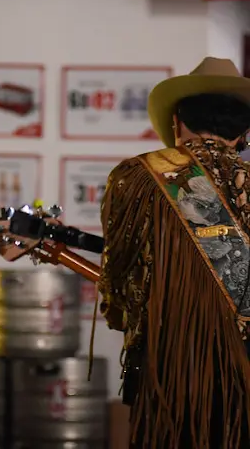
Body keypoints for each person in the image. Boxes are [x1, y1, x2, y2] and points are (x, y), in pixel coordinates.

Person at [96, 57, 250, 448]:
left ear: (177, 122)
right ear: (244, 133)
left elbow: (119, 284)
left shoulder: (136, 179)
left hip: (170, 379)